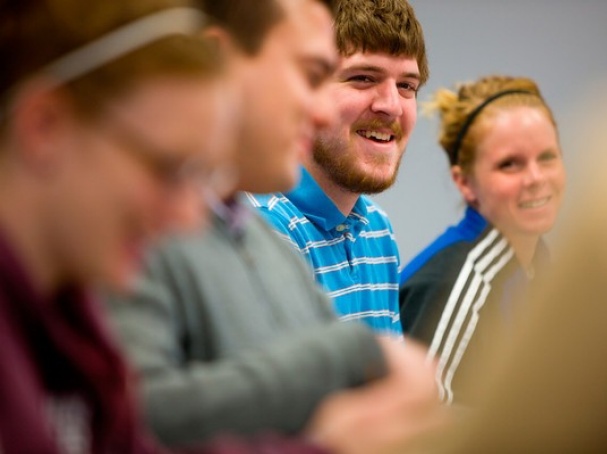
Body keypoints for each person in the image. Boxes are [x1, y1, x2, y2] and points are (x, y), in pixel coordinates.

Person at [104, 0, 441, 450]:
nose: (319, 112)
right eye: (310, 75)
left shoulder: (264, 243)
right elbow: (124, 417)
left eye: (408, 86)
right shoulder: (140, 230)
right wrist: (359, 354)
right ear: (219, 61)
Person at [0, 0, 323, 452]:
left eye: (200, 176)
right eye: (169, 171)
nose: (189, 219)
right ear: (45, 126)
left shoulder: (73, 323)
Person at [249, 0, 429, 338]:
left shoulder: (377, 228)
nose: (391, 106)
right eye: (363, 78)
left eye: (406, 86)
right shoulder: (263, 232)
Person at [399, 75, 566, 405]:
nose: (536, 178)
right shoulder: (453, 283)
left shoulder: (538, 264)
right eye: (510, 164)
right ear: (465, 183)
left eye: (547, 157)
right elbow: (424, 425)